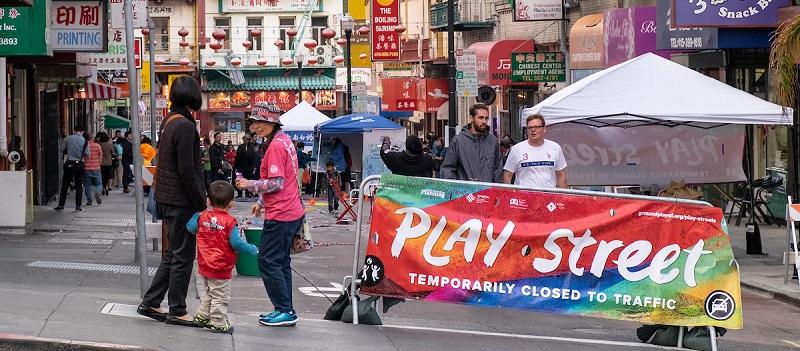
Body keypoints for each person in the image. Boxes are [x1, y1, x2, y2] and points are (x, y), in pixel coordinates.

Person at [137, 76, 207, 327]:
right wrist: (201, 202)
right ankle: (177, 309)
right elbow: (187, 169)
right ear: (193, 96)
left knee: (172, 254)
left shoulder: (170, 121)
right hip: (181, 201)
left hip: (167, 198)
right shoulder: (186, 126)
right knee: (183, 257)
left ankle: (152, 301)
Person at [236, 102, 304, 327]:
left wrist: (249, 184)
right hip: (290, 210)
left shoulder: (275, 146)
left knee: (267, 261)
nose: (256, 126)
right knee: (280, 262)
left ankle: (284, 309)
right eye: (254, 122)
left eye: (261, 122)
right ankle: (286, 309)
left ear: (273, 123)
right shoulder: (283, 141)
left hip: (282, 213)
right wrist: (260, 201)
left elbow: (276, 182)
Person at [188, 180, 258, 334]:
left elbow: (191, 228)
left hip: (203, 263)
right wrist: (252, 249)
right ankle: (218, 322)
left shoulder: (202, 217)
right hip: (221, 266)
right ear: (232, 203)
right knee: (220, 295)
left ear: (208, 201)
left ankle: (202, 315)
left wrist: (195, 216)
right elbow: (236, 243)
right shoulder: (229, 221)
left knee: (207, 293)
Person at [440, 103, 502, 183]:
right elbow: (448, 169)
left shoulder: (493, 141)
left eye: (486, 118)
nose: (484, 121)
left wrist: (496, 191)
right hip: (465, 192)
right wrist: (456, 190)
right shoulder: (458, 141)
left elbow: (498, 169)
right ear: (471, 118)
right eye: (480, 118)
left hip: (488, 192)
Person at [502, 114, 568, 188]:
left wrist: (565, 198)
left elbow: (561, 175)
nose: (533, 130)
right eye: (530, 127)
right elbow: (507, 175)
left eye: (536, 127)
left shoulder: (555, 148)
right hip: (524, 196)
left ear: (544, 129)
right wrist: (507, 196)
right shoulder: (516, 149)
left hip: (548, 196)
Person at [55, 126, 90, 211]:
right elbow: (87, 154)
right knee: (79, 186)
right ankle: (78, 206)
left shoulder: (68, 138)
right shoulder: (85, 141)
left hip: (69, 163)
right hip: (79, 164)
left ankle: (61, 205)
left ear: (74, 131)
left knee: (65, 185)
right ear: (82, 131)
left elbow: (62, 149)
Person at [83, 132, 103, 206]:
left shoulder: (84, 145)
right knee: (99, 183)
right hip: (96, 167)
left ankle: (89, 200)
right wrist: (99, 165)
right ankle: (97, 192)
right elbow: (100, 157)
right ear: (92, 138)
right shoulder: (97, 146)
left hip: (86, 167)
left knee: (87, 185)